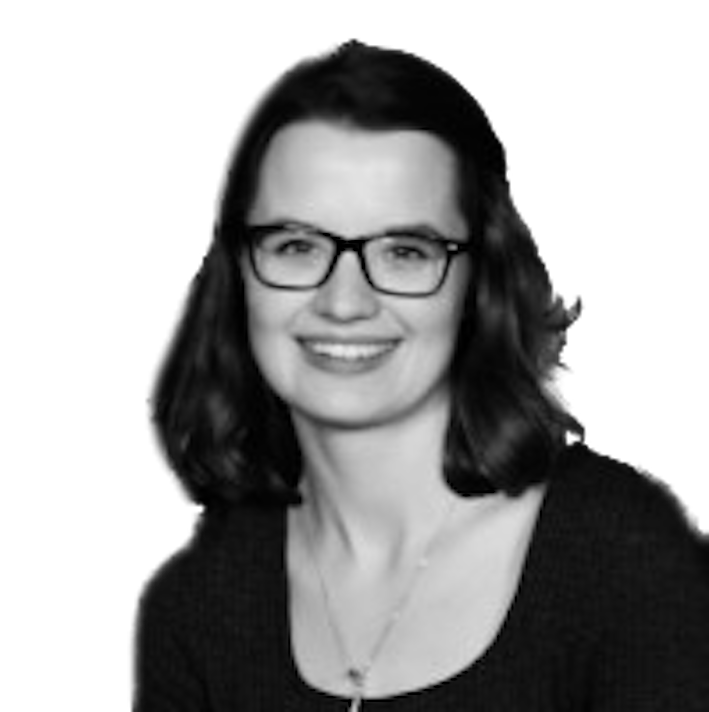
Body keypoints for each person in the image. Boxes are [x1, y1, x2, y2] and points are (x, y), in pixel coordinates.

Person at [135, 41, 708, 710]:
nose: (344, 302)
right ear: (236, 272)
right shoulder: (194, 601)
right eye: (296, 245)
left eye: (405, 251)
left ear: (480, 282)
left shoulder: (625, 554)